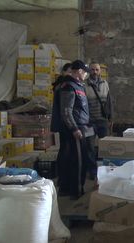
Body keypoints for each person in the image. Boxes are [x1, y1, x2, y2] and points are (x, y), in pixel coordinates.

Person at [52, 59, 94, 200]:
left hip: (80, 126)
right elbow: (66, 111)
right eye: (86, 73)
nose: (87, 76)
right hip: (74, 130)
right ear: (80, 71)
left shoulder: (78, 86)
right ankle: (76, 190)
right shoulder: (69, 87)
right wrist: (75, 129)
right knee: (78, 161)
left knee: (71, 159)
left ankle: (67, 189)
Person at [85, 62, 112, 178]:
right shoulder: (84, 85)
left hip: (102, 121)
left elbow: (109, 102)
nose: (94, 72)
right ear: (89, 71)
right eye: (92, 70)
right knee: (89, 147)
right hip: (89, 122)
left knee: (105, 146)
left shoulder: (105, 84)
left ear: (100, 71)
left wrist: (110, 118)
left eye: (96, 70)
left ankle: (105, 170)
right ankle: (92, 171)